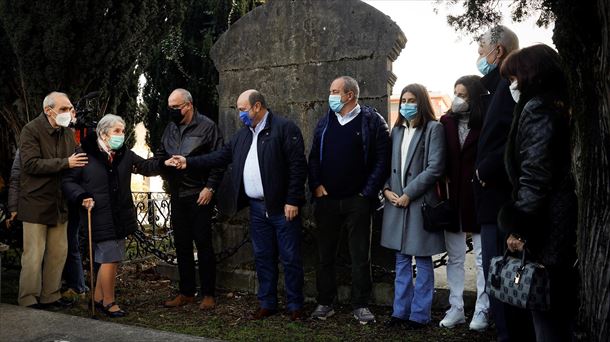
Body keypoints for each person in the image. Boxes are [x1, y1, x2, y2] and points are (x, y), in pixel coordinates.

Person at [167, 90, 307, 321]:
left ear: (257, 106)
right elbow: (219, 156)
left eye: (242, 109)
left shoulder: (284, 128)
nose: (239, 113)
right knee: (262, 257)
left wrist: (292, 200)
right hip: (257, 209)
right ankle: (267, 302)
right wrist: (188, 162)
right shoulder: (243, 135)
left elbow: (297, 167)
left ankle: (295, 306)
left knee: (290, 258)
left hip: (282, 208)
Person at [499, 44, 577, 342]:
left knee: (545, 311)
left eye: (513, 78)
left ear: (530, 74)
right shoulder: (560, 104)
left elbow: (534, 173)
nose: (512, 85)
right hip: (558, 217)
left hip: (547, 224)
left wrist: (519, 227)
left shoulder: (538, 108)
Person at [308, 76, 390, 325]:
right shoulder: (325, 122)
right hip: (327, 200)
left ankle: (360, 305)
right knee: (325, 255)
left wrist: (366, 192)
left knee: (359, 255)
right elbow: (313, 158)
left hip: (358, 201)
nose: (330, 95)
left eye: (334, 91)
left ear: (349, 95)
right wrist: (316, 185)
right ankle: (325, 302)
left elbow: (382, 160)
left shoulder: (371, 121)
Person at [62, 114, 162, 317]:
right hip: (97, 213)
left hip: (120, 214)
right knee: (109, 257)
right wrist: (82, 196)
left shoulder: (125, 154)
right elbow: (68, 182)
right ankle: (109, 301)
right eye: (117, 131)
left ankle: (98, 298)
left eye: (123, 131)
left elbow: (146, 167)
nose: (121, 135)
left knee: (110, 258)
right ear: (103, 133)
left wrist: (166, 161)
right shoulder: (84, 153)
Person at [472, 25, 535, 341]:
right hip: (491, 201)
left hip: (501, 200)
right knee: (497, 281)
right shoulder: (495, 87)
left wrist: (485, 170)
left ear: (497, 51)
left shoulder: (514, 86)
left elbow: (516, 137)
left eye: (481, 48)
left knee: (504, 282)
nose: (478, 55)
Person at [380, 83, 446, 329]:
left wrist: (409, 193)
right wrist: (386, 189)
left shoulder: (433, 129)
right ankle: (400, 312)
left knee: (424, 260)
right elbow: (389, 165)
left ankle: (420, 315)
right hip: (396, 203)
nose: (406, 104)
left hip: (419, 204)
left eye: (411, 100)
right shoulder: (396, 131)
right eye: (404, 100)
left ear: (421, 102)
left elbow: (435, 167)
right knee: (401, 260)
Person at [17, 91, 88, 308]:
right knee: (33, 255)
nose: (69, 113)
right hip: (36, 202)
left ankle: (51, 295)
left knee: (58, 253)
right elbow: (30, 164)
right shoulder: (31, 130)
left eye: (70, 109)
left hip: (60, 203)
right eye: (64, 109)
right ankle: (28, 298)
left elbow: (80, 159)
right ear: (49, 111)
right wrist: (65, 163)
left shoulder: (67, 133)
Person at [158, 89, 224, 310]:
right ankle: (186, 291)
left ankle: (208, 294)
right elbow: (161, 154)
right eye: (170, 107)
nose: (172, 111)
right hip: (178, 194)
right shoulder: (170, 128)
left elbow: (219, 160)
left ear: (188, 105)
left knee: (203, 245)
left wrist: (210, 188)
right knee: (181, 245)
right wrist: (164, 165)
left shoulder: (207, 127)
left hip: (199, 194)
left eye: (175, 107)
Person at [438, 76, 490, 330]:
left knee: (482, 259)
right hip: (453, 197)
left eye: (464, 94)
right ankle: (456, 307)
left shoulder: (487, 123)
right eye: (455, 93)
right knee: (455, 257)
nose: (457, 98)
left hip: (479, 197)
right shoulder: (446, 122)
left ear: (475, 98)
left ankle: (482, 309)